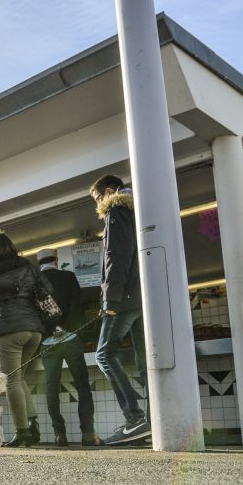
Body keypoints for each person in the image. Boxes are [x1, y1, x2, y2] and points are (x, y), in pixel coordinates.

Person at [0, 230, 52, 447]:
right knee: (19, 376)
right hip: (34, 330)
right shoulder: (29, 268)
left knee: (11, 379)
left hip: (8, 329)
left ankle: (22, 431)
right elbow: (47, 291)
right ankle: (32, 424)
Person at [90, 174, 150, 445]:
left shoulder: (116, 211)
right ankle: (152, 418)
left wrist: (109, 301)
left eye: (97, 198)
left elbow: (116, 256)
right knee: (144, 359)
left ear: (109, 191)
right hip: (141, 297)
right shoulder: (137, 210)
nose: (98, 205)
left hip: (124, 298)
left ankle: (135, 418)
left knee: (104, 354)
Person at [36, 248, 102, 447]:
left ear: (39, 264)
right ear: (56, 260)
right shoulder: (69, 276)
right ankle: (88, 434)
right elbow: (77, 304)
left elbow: (35, 312)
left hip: (48, 343)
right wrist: (64, 328)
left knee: (51, 389)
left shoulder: (35, 283)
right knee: (82, 386)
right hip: (71, 338)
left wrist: (51, 329)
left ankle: (59, 435)